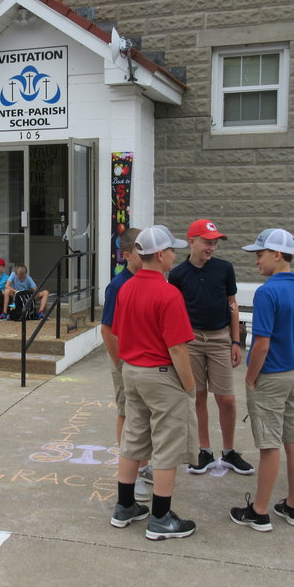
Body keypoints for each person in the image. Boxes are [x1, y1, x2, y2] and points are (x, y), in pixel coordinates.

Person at [109, 225, 198, 540]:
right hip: (159, 373)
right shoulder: (168, 293)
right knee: (166, 445)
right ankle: (160, 516)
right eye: (172, 250)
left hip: (131, 369)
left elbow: (118, 333)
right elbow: (178, 347)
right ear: (160, 255)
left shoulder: (126, 288)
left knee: (133, 437)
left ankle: (124, 506)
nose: (176, 254)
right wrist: (189, 385)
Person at [229, 229, 294, 532]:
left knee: (269, 445)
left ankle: (260, 511)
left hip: (271, 376)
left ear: (277, 254)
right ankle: (293, 505)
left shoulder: (267, 292)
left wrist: (251, 379)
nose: (256, 261)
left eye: (259, 254)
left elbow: (261, 344)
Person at [168, 219, 254, 475]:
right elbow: (174, 310)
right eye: (207, 242)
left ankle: (228, 452)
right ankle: (203, 451)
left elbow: (232, 304)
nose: (212, 247)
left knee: (226, 398)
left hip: (220, 338)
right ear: (191, 241)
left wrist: (236, 340)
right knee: (198, 396)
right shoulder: (178, 274)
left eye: (215, 242)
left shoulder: (224, 269)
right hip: (190, 340)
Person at [101, 228, 153, 501]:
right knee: (128, 414)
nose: (145, 256)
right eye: (140, 252)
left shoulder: (145, 280)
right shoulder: (118, 285)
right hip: (124, 360)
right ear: (127, 255)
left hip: (141, 361)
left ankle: (142, 465)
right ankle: (133, 472)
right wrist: (120, 362)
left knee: (141, 416)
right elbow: (107, 329)